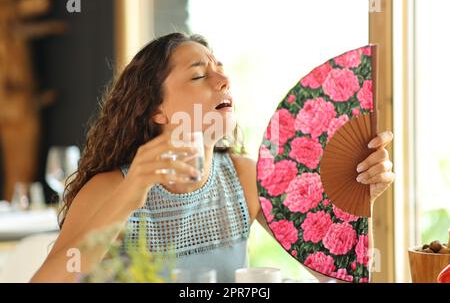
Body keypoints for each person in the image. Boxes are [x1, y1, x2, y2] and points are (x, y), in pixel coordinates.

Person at [31, 32, 395, 282]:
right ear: (156, 108)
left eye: (220, 68)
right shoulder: (109, 188)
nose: (223, 79)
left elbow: (335, 273)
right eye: (199, 75)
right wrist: (131, 194)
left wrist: (355, 197)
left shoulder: (244, 177)